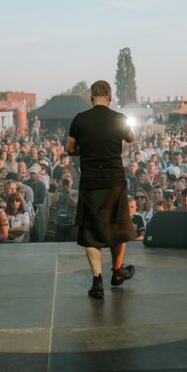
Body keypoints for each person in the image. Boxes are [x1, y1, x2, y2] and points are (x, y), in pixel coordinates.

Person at [66, 80, 136, 299]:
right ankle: (117, 271)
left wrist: (87, 149)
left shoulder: (80, 119)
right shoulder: (119, 119)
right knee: (118, 224)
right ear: (110, 97)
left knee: (91, 230)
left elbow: (70, 149)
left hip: (91, 181)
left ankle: (97, 282)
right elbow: (131, 138)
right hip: (115, 179)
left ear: (91, 98)